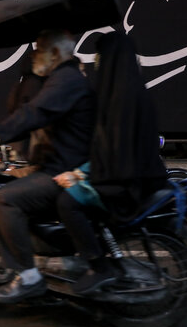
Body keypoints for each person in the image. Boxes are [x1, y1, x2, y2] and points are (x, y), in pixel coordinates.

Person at [0, 29, 96, 303]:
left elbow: (33, 114)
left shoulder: (65, 80)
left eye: (40, 48)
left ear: (56, 53)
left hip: (64, 171)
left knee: (3, 201)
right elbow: (29, 114)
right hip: (55, 164)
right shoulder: (59, 78)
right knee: (6, 182)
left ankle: (29, 276)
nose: (34, 54)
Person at [54, 32, 167, 294]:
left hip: (126, 184)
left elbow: (116, 156)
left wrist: (80, 177)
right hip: (134, 177)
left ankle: (99, 267)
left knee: (67, 203)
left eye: (100, 59)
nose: (97, 66)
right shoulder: (132, 91)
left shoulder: (121, 100)